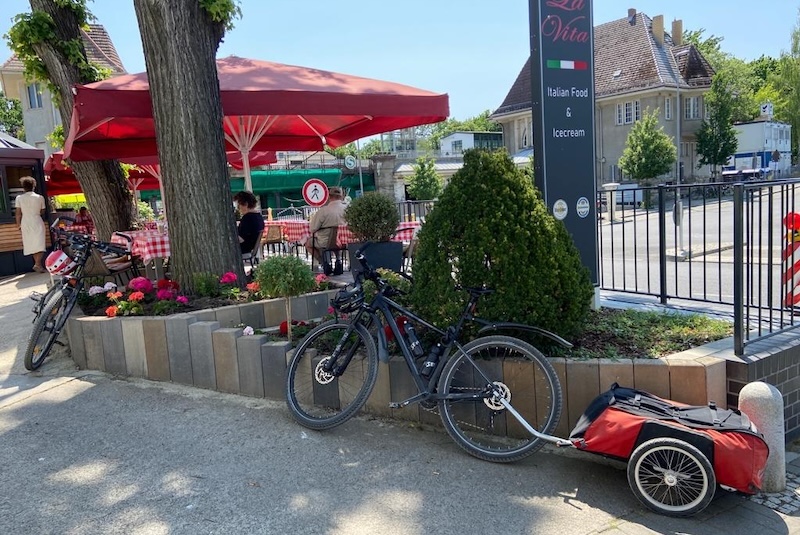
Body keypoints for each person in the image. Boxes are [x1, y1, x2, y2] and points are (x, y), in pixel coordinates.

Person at [304, 186, 347, 273]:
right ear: (341, 197)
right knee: (336, 241)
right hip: (344, 241)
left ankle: (324, 263)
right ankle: (338, 260)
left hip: (325, 241)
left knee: (308, 243)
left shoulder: (323, 211)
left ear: (329, 197)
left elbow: (312, 229)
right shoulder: (347, 209)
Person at [15, 176, 47, 273]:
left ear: (23, 187)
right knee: (40, 243)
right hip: (37, 219)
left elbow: (18, 213)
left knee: (32, 243)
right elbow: (43, 210)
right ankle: (38, 264)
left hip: (25, 221)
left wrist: (18, 225)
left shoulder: (19, 198)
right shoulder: (40, 197)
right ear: (34, 186)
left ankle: (38, 265)